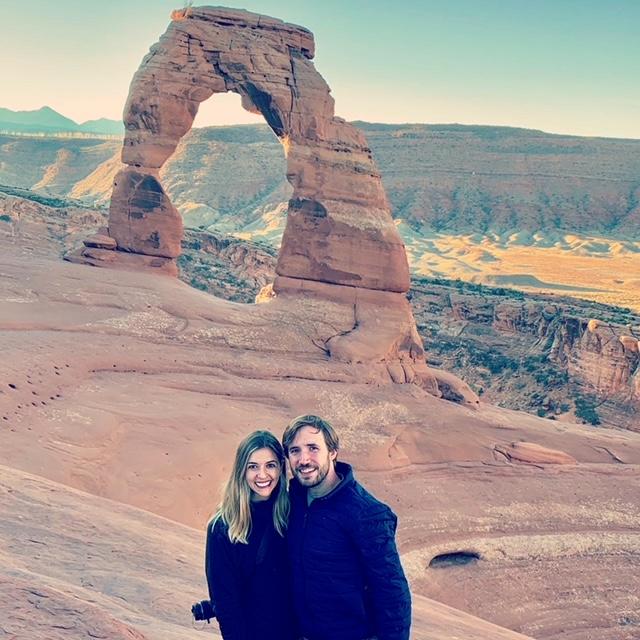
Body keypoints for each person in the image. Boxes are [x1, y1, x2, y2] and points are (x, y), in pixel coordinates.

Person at [282, 414, 412, 640]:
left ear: (332, 452)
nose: (304, 460)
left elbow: (392, 592)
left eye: (313, 448)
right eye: (295, 451)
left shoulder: (366, 513)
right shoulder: (292, 501)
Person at [204, 430, 294, 640]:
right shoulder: (223, 527)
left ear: (281, 468)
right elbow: (226, 603)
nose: (262, 475)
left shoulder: (293, 513)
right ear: (241, 470)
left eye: (270, 465)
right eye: (253, 466)